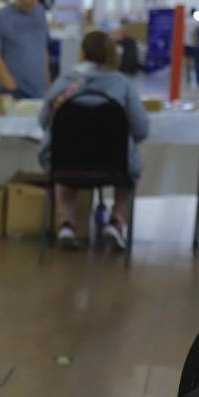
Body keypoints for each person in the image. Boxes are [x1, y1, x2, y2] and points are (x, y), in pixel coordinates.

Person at [38, 31, 149, 252]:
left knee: (64, 169)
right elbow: (140, 129)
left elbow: (44, 121)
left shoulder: (63, 82)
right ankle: (117, 221)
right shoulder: (123, 85)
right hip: (113, 166)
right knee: (131, 168)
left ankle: (67, 224)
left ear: (82, 53)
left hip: (66, 164)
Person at [0, 0, 51, 99]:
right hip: (12, 92)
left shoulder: (40, 13)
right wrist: (11, 87)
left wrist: (47, 83)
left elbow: (43, 49)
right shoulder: (2, 16)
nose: (28, 0)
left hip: (39, 91)